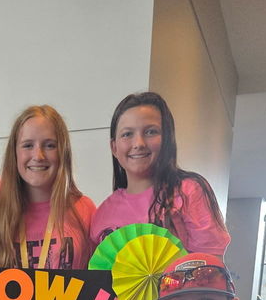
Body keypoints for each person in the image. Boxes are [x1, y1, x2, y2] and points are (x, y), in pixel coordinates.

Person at [90, 92, 230, 256]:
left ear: (167, 139)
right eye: (127, 134)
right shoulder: (103, 213)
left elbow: (210, 268)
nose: (139, 143)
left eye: (150, 132)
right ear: (114, 147)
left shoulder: (188, 191)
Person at [0, 105, 95, 269]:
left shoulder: (84, 209)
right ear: (14, 152)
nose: (38, 156)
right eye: (28, 145)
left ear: (63, 152)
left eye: (49, 145)